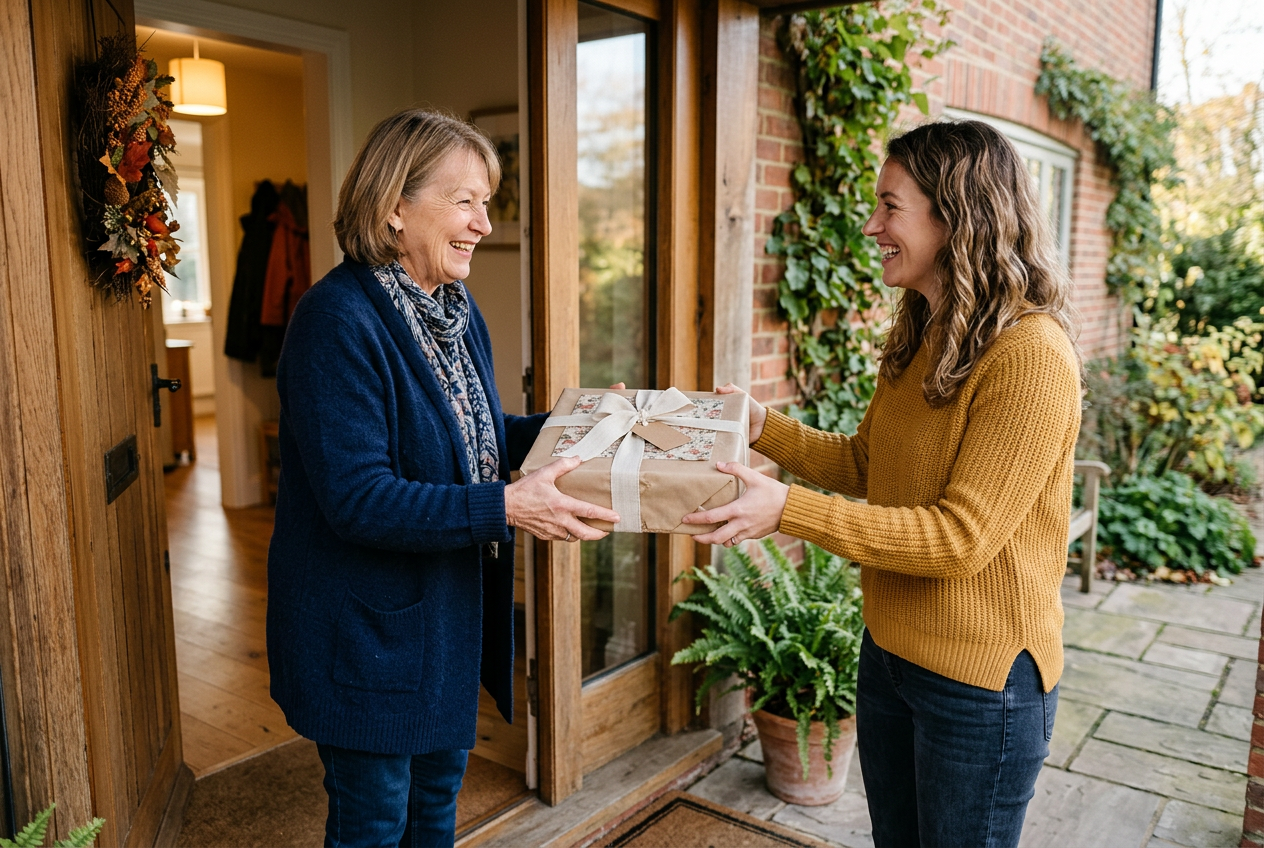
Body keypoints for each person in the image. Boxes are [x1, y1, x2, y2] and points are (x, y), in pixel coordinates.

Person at [684, 120, 1082, 848]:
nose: (872, 226)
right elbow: (869, 465)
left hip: (979, 685)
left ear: (956, 212)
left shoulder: (1030, 355)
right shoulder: (926, 328)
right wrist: (758, 425)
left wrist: (789, 511)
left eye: (890, 206)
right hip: (891, 658)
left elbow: (961, 538)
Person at [266, 108, 619, 848]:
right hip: (368, 638)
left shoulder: (454, 313)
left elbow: (480, 441)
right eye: (466, 202)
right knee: (374, 824)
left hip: (444, 628)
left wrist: (575, 425)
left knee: (434, 815)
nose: (484, 225)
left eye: (486, 202)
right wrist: (510, 508)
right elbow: (359, 499)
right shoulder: (335, 321)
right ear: (394, 205)